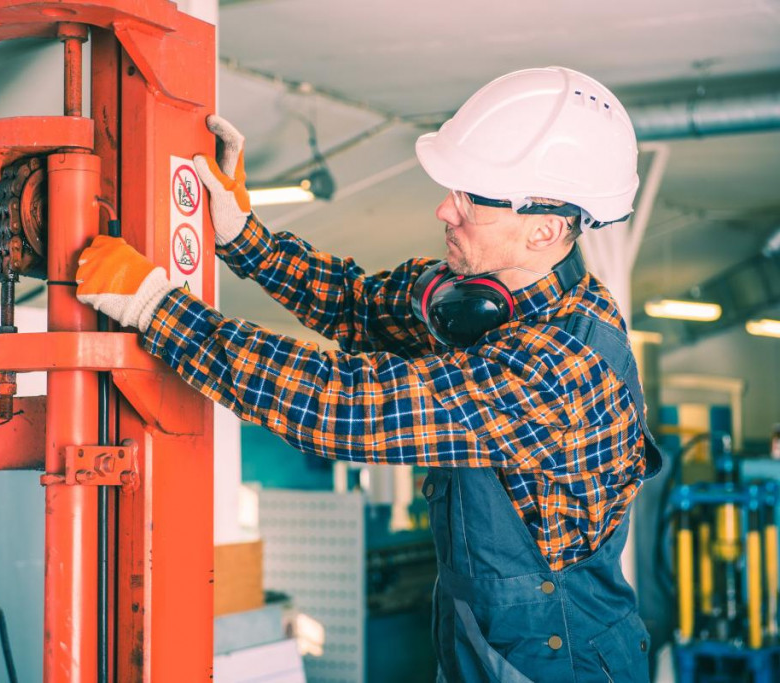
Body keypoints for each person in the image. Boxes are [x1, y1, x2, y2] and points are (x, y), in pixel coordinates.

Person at [75, 66, 662, 682]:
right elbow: (357, 302)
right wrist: (244, 238)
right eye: (454, 188)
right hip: (481, 641)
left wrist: (159, 310)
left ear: (544, 228)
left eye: (471, 198)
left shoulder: (560, 369)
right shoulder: (478, 298)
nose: (445, 209)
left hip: (559, 660)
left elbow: (345, 407)